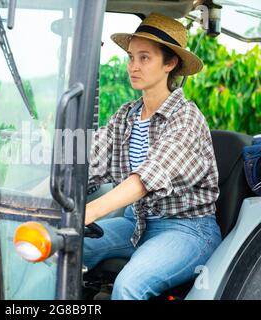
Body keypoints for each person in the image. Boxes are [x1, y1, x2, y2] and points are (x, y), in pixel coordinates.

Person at [84, 12, 222, 300]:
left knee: (129, 285)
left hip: (187, 230)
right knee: (56, 251)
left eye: (144, 58)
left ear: (170, 63)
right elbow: (85, 164)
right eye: (131, 57)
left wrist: (89, 212)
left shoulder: (186, 119)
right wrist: (34, 201)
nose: (133, 66)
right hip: (135, 223)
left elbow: (147, 178)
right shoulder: (126, 115)